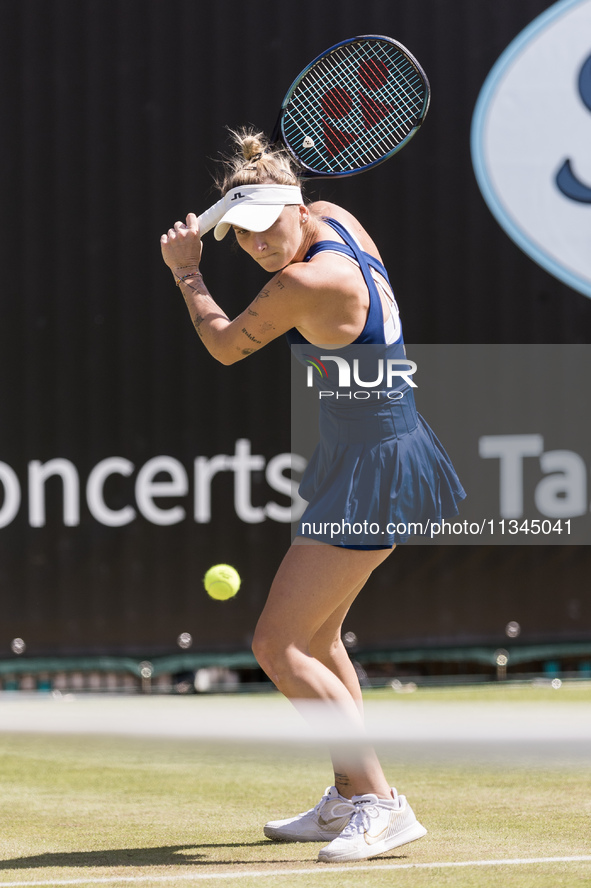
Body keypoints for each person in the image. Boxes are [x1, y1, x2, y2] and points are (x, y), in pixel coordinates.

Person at [160, 129, 465, 863]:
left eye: (270, 229)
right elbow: (281, 228)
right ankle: (345, 796)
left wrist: (187, 273)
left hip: (376, 463)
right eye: (244, 236)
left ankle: (380, 803)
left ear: (296, 211)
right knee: (319, 639)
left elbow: (227, 345)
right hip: (366, 449)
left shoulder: (305, 282)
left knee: (276, 642)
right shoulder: (337, 218)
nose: (261, 247)